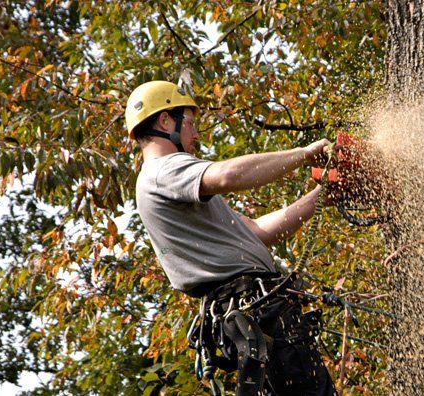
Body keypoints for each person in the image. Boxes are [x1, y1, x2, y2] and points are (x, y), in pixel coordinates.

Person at [125, 80, 337, 396]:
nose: (195, 135)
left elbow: (258, 232)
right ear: (166, 121)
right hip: (252, 307)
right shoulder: (162, 170)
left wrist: (324, 194)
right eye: (191, 124)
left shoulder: (173, 183)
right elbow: (228, 176)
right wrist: (304, 154)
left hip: (254, 309)